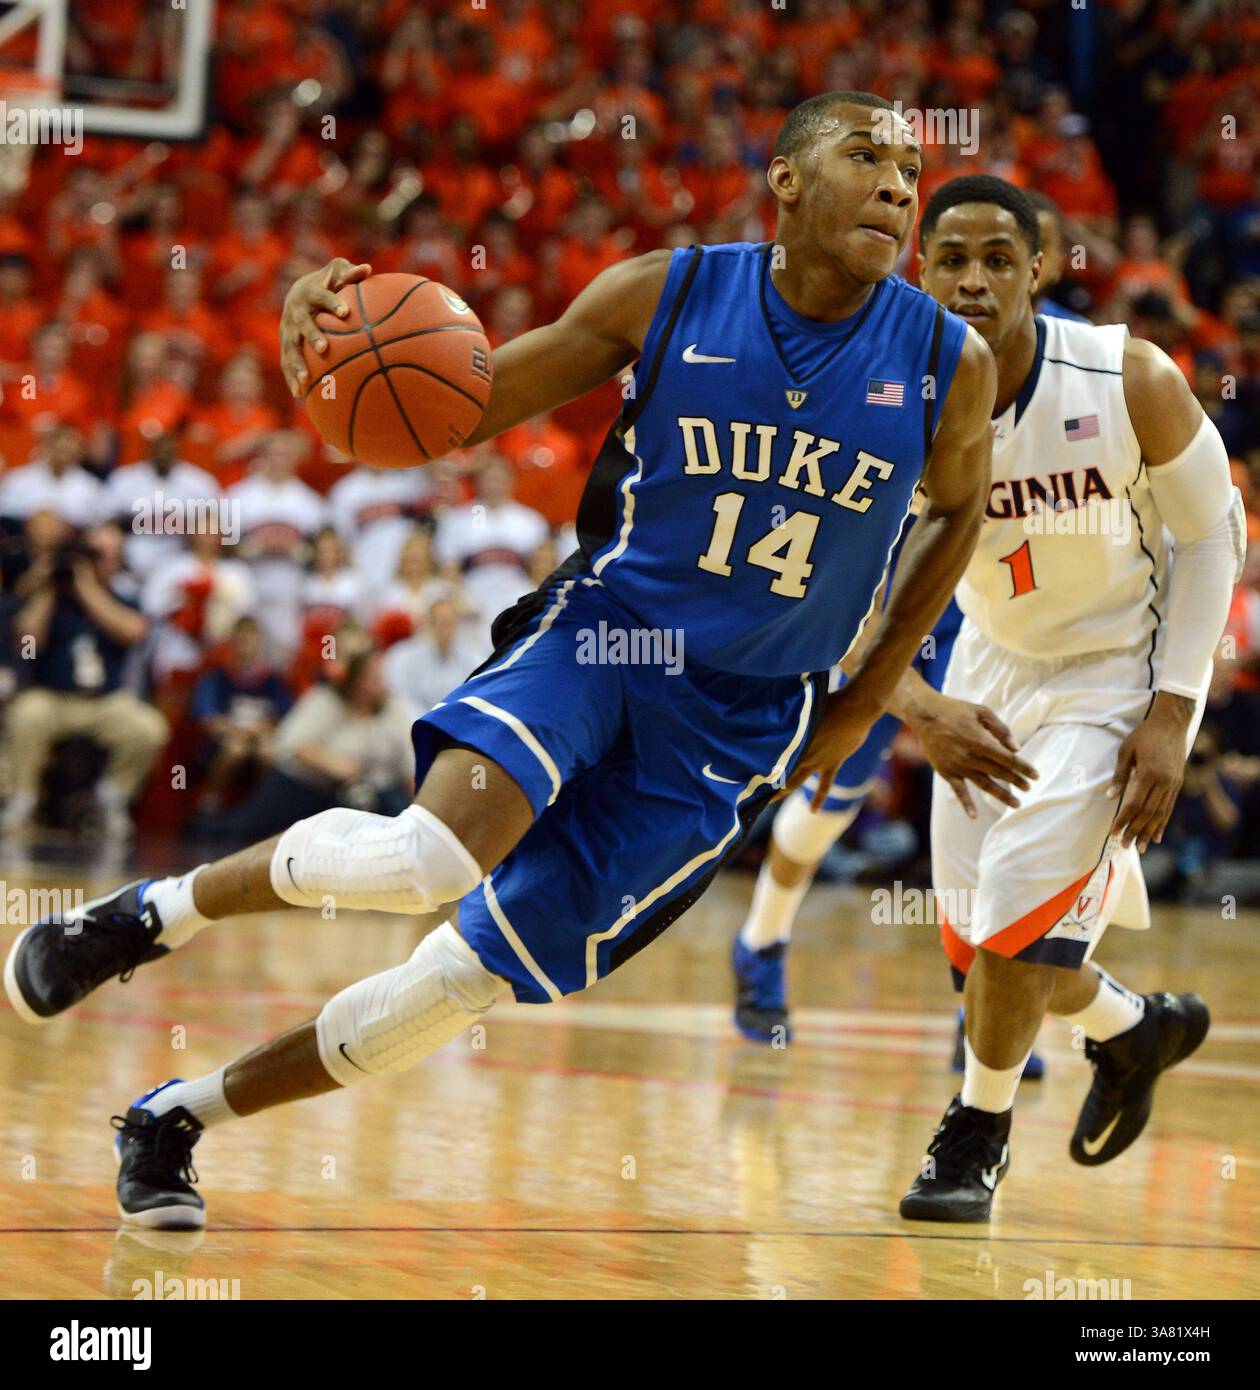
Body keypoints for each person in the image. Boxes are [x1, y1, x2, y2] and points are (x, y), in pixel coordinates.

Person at [6, 91, 996, 1231]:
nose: (897, 185)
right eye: (866, 156)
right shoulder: (667, 291)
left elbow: (955, 517)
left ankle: (176, 1118)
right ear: (785, 179)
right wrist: (326, 349)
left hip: (744, 722)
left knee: (466, 979)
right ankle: (144, 916)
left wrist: (870, 701)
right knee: (428, 853)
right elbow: (452, 410)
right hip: (607, 635)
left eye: (912, 171)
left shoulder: (945, 360)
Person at [890, 176, 1238, 1222]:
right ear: (922, 272)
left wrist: (1175, 711)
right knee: (980, 948)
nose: (974, 279)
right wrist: (915, 704)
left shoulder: (1129, 376)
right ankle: (1133, 1028)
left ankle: (975, 1137)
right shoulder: (894, 400)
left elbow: (1214, 533)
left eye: (1000, 257)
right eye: (951, 258)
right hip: (987, 670)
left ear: (1039, 270)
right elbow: (851, 593)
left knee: (1010, 929)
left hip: (1112, 672)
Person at [3, 522, 168, 839]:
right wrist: (49, 586)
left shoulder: (122, 598)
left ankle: (111, 798)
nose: (96, 562)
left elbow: (133, 631)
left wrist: (88, 587)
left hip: (105, 701)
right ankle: (22, 799)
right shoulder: (53, 598)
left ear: (118, 561)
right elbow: (26, 641)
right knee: (25, 714)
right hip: (54, 697)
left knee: (149, 727)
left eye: (105, 556)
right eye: (93, 554)